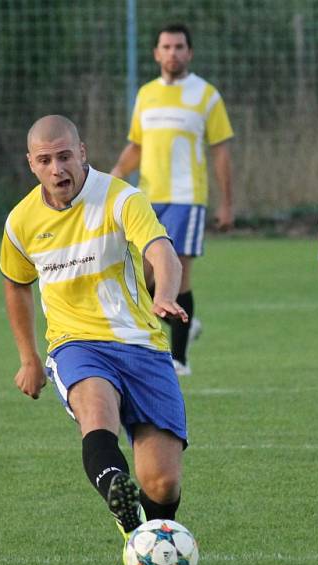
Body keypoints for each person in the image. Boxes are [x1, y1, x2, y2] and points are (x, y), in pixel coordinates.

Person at [1, 115, 189, 564]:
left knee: (163, 483)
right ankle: (123, 510)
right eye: (45, 160)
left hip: (140, 344)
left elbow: (160, 250)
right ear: (31, 164)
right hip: (76, 344)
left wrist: (163, 292)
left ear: (82, 152)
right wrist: (28, 357)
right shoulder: (21, 222)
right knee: (95, 410)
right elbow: (15, 282)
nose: (57, 169)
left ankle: (148, 540)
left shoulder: (121, 198)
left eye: (64, 156)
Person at [111, 23, 234, 376]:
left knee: (177, 274)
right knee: (144, 276)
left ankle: (179, 359)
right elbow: (136, 145)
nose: (173, 53)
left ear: (189, 53)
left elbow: (222, 153)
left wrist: (227, 203)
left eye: (179, 47)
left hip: (187, 198)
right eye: (166, 47)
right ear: (156, 53)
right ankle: (185, 323)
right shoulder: (146, 94)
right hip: (148, 199)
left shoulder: (206, 95)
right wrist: (115, 176)